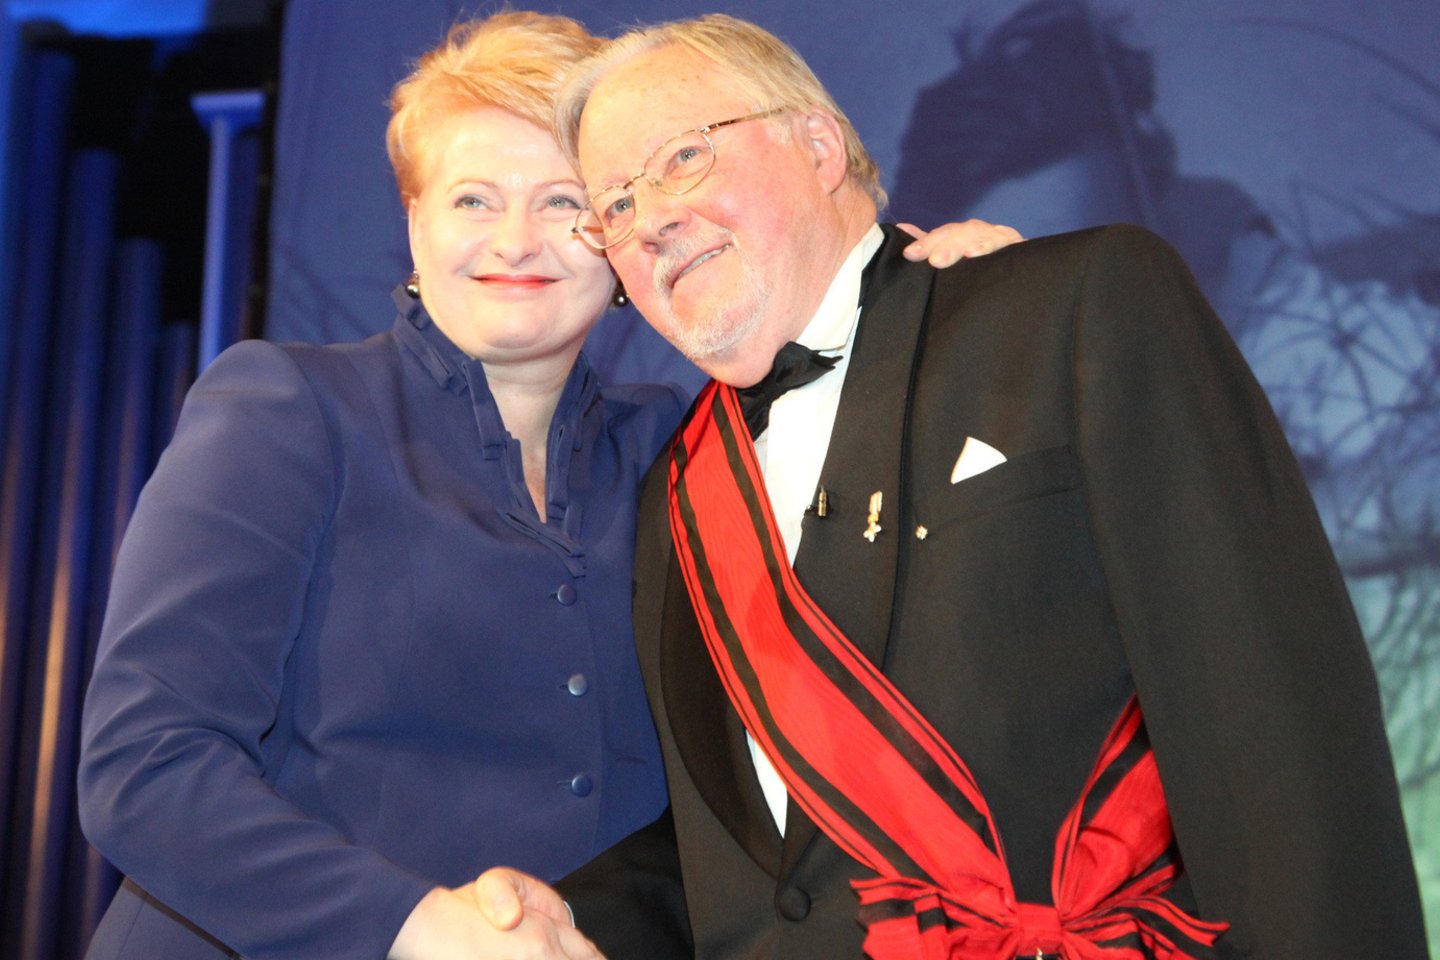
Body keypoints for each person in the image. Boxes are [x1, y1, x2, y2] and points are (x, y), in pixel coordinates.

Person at [477, 12, 1429, 960]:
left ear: (819, 147)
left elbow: (1274, 730)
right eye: (615, 207)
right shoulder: (673, 496)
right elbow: (746, 865)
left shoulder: (1071, 309)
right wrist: (550, 922)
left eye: (683, 158)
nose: (651, 221)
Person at [74, 11, 1018, 960]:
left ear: (620, 235)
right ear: (415, 223)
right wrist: (415, 926)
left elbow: (854, 431)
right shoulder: (289, 409)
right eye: (473, 200)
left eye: (565, 203)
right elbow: (144, 764)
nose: (516, 241)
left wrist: (940, 306)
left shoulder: (681, 444)